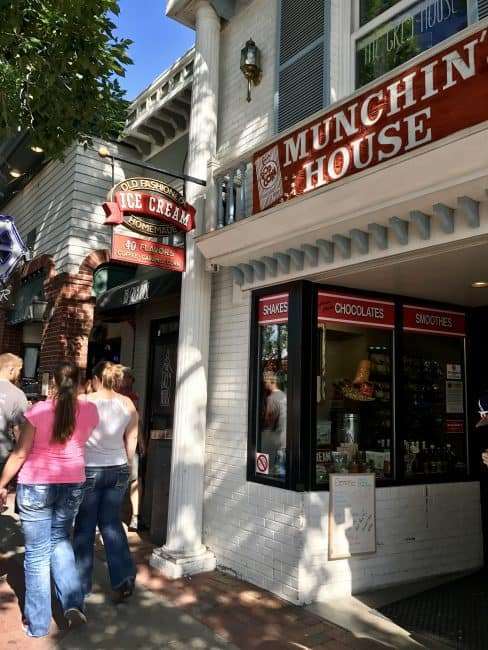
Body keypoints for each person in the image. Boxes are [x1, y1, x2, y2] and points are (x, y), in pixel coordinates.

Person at [0, 363, 99, 638]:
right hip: (72, 483)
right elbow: (79, 440)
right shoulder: (90, 411)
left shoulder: (38, 411)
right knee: (59, 540)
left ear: (53, 383)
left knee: (37, 553)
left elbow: (20, 453)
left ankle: (38, 623)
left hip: (37, 485)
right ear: (81, 384)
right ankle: (73, 603)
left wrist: (1, 483)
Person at [73, 361, 138, 604]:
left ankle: (80, 585)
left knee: (85, 526)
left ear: (96, 378)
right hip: (118, 467)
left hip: (89, 468)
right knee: (111, 523)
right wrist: (127, 463)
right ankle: (123, 579)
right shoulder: (127, 403)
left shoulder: (85, 402)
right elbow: (131, 437)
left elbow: (72, 435)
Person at [117, 366, 145, 531]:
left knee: (134, 479)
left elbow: (137, 421)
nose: (127, 381)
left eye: (128, 378)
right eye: (124, 377)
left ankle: (134, 516)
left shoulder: (133, 397)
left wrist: (140, 439)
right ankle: (119, 515)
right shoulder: (115, 396)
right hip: (117, 444)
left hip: (128, 443)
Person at [0, 353, 29, 473]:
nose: (19, 375)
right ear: (11, 369)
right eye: (19, 370)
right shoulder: (17, 394)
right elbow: (19, 430)